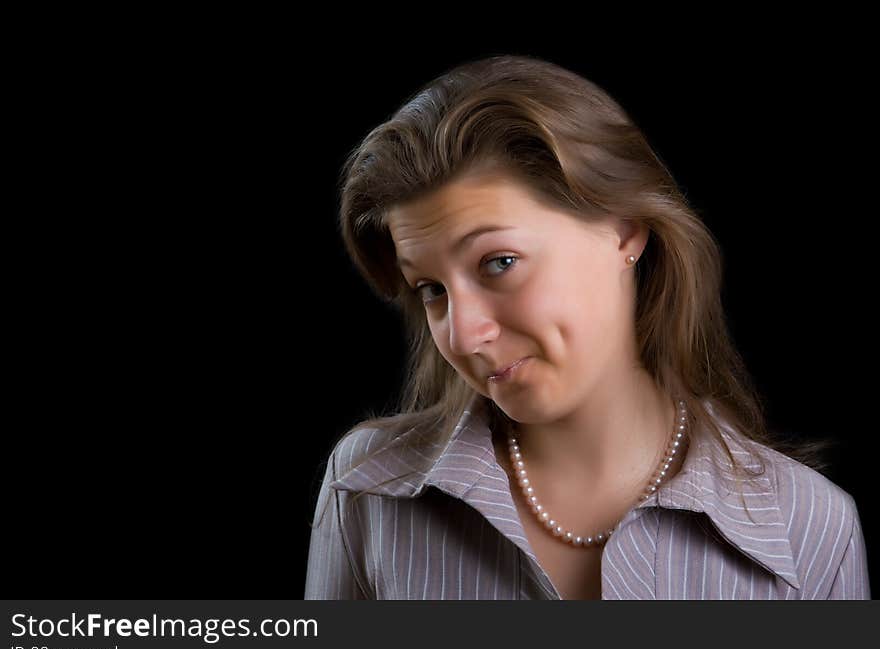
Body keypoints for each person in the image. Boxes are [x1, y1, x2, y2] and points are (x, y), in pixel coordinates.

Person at [304, 54, 870, 599]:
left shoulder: (812, 529)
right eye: (433, 290)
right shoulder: (365, 492)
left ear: (623, 231)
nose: (463, 335)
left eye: (499, 263)